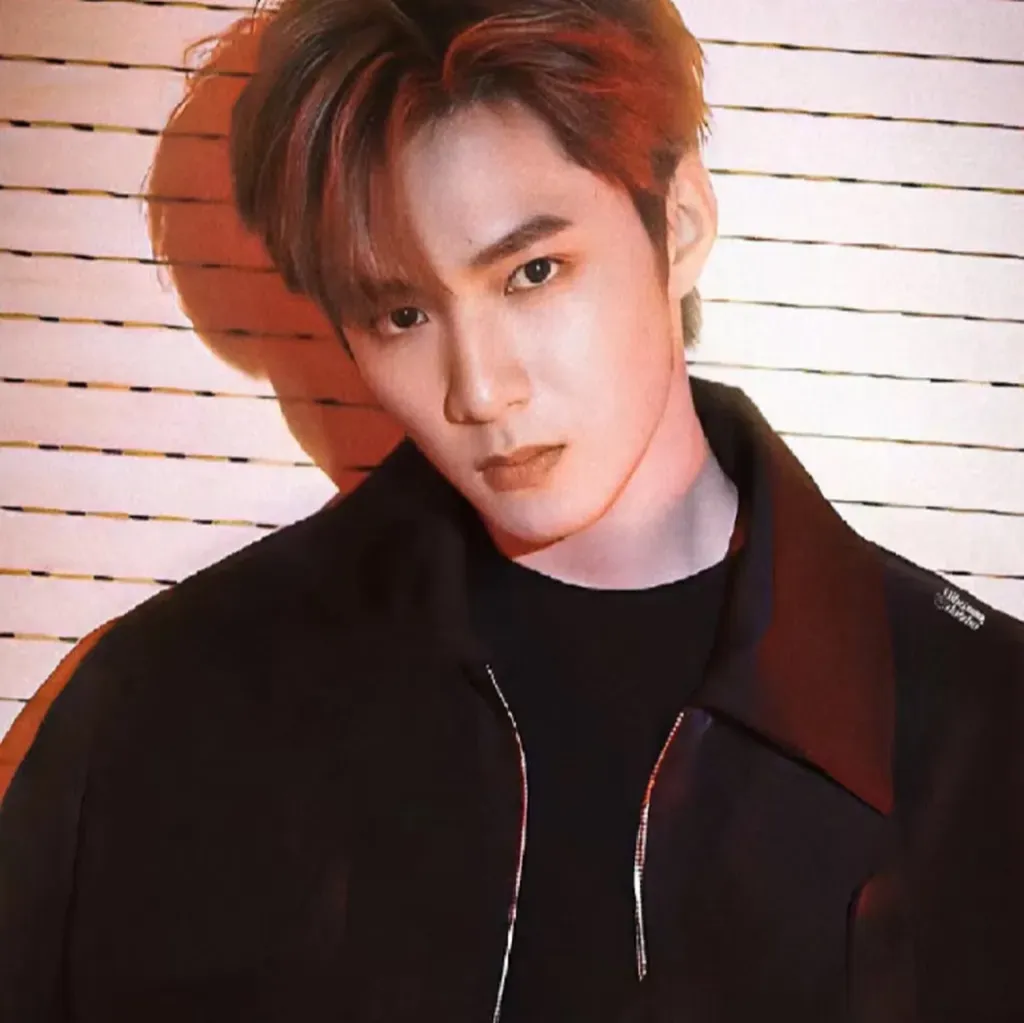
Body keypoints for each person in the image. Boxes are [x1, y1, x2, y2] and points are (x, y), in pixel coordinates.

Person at [1, 0, 1022, 1019]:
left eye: (533, 273)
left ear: (678, 223)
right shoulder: (168, 706)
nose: (480, 390)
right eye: (402, 313)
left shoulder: (986, 740)